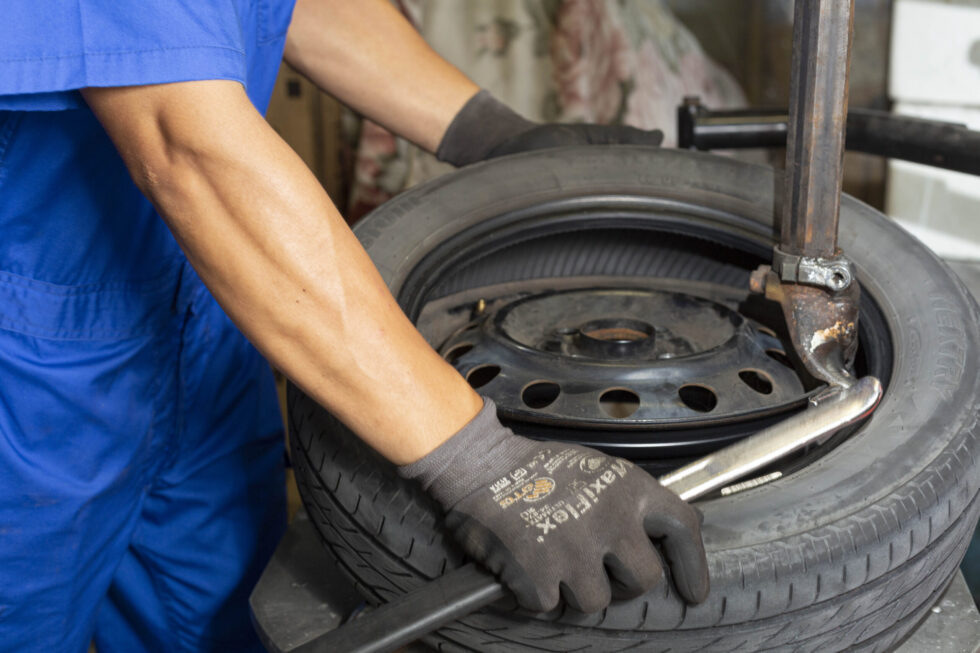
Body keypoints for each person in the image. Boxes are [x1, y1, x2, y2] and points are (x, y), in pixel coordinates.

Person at [0, 1, 708, 650]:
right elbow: (184, 147)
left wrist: (491, 134)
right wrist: (480, 461)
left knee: (224, 618)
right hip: (28, 361)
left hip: (196, 305)